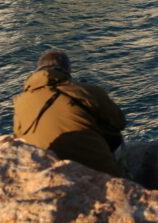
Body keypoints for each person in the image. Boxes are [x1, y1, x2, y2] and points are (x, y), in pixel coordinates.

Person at [13, 49, 126, 178]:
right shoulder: (88, 90)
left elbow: (18, 137)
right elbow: (119, 123)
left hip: (47, 171)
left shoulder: (19, 102)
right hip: (98, 172)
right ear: (67, 70)